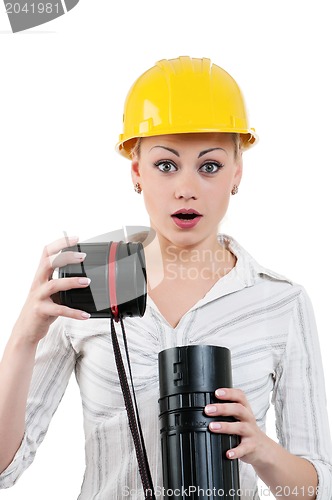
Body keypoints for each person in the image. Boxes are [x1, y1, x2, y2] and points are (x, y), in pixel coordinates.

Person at [0, 56, 331, 500]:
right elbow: (4, 470)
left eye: (209, 166)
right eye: (166, 165)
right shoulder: (88, 284)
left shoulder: (280, 302)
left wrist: (262, 449)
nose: (186, 188)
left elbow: (317, 489)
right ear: (137, 172)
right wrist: (24, 334)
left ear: (237, 173)